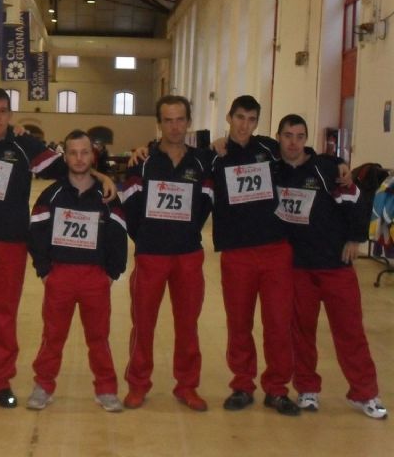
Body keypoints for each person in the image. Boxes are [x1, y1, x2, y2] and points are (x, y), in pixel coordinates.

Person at [0, 88, 116, 409]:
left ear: (10, 115)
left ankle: (0, 381)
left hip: (11, 244)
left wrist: (101, 175)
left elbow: (70, 166)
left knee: (4, 315)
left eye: (3, 111)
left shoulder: (24, 145)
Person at [273, 114, 387, 420]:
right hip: (298, 268)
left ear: (306, 139)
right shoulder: (274, 170)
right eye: (288, 136)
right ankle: (307, 389)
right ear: (278, 138)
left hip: (335, 266)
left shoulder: (326, 169)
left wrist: (355, 238)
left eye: (300, 136)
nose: (293, 142)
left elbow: (356, 201)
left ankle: (365, 393)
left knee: (350, 331)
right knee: (301, 333)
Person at [121, 95, 213, 411]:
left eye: (180, 119)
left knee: (188, 325)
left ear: (189, 121)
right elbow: (130, 205)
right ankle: (138, 384)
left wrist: (186, 231)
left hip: (188, 255)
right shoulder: (142, 161)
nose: (175, 127)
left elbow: (205, 203)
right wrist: (147, 237)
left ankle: (187, 386)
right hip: (151, 256)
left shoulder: (202, 162)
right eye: (168, 120)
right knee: (143, 324)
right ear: (159, 123)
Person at [26, 129, 127, 412]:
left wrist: (112, 273)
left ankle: (106, 389)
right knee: (53, 336)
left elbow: (119, 236)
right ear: (65, 157)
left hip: (95, 277)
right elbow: (36, 233)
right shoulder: (51, 195)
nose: (79, 158)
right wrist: (45, 271)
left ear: (92, 156)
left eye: (84, 152)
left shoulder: (107, 196)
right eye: (73, 153)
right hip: (60, 276)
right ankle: (43, 385)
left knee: (99, 338)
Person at [210, 95, 299, 416]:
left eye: (251, 119)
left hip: (275, 250)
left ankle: (277, 389)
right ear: (229, 117)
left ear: (257, 123)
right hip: (236, 253)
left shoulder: (269, 149)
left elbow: (300, 154)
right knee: (239, 323)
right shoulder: (215, 155)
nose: (244, 125)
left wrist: (338, 163)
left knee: (278, 323)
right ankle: (242, 385)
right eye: (240, 118)